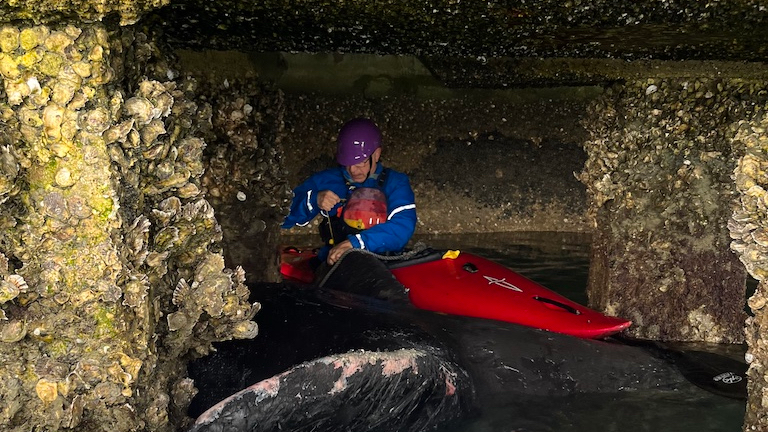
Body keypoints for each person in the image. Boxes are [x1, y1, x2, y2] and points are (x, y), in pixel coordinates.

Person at [282, 118, 417, 265]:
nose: (353, 170)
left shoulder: (396, 183)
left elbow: (402, 227)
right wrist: (312, 200)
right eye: (347, 163)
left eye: (359, 163)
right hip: (336, 264)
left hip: (384, 262)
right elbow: (281, 217)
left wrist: (355, 243)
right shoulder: (326, 181)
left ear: (376, 154)